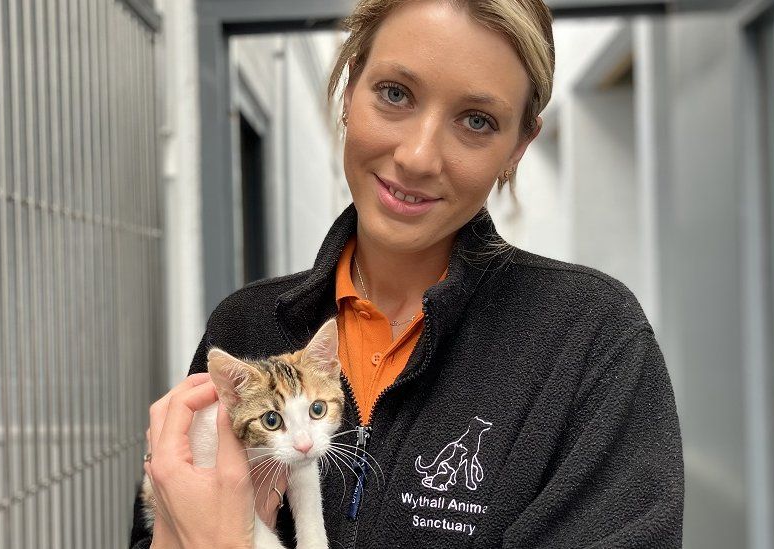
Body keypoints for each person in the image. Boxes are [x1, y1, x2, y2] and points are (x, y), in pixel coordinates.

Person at [130, 0, 684, 547]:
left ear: (518, 146)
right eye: (395, 93)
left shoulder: (592, 339)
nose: (419, 157)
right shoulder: (247, 327)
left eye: (477, 121)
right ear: (350, 91)